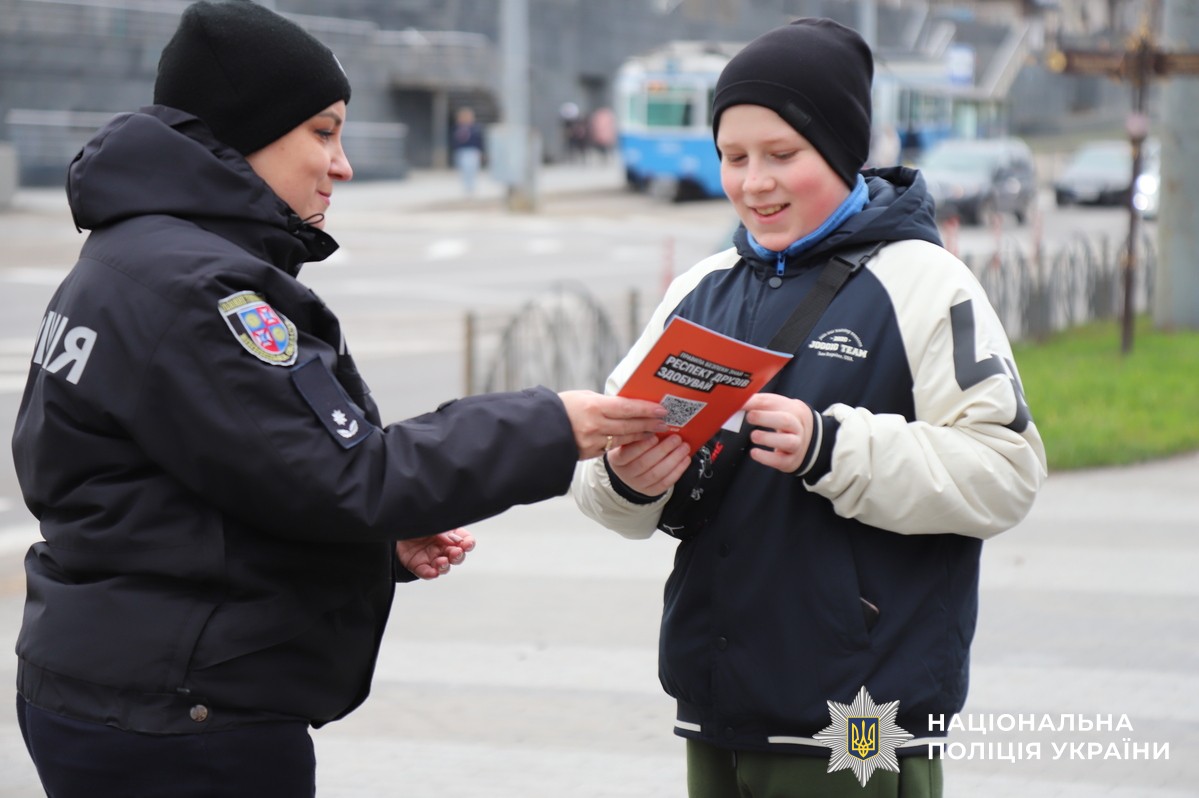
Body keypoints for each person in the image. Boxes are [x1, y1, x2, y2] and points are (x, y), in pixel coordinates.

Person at [10, 2, 667, 796]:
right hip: (180, 717)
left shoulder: (128, 253)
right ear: (243, 134)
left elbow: (198, 492)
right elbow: (345, 475)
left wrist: (371, 550)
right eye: (322, 132)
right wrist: (551, 424)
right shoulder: (200, 286)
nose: (342, 163)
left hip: (113, 685)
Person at [572, 18, 1047, 798]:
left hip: (859, 725)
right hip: (716, 706)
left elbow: (1007, 472)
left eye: (781, 156)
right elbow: (602, 484)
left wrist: (834, 448)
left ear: (839, 148)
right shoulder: (701, 287)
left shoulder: (924, 281)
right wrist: (629, 478)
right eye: (732, 157)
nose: (752, 182)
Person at [450, 105, 485, 196]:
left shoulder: (475, 128)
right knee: (464, 170)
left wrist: (480, 151)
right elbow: (455, 141)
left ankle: (472, 187)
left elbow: (479, 141)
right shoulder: (458, 128)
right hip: (462, 151)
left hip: (472, 151)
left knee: (472, 170)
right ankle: (466, 187)